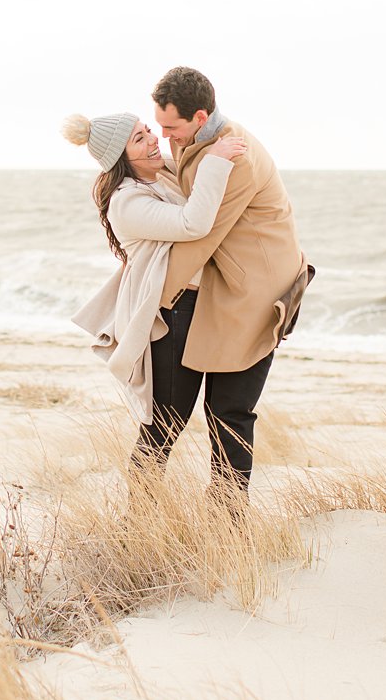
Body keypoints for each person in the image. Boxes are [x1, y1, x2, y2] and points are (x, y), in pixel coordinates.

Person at [148, 66, 309, 498]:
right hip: (225, 288)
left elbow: (202, 235)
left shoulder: (233, 156)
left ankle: (228, 526)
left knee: (229, 414)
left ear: (200, 117)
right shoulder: (196, 142)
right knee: (177, 413)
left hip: (258, 292)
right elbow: (180, 175)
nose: (166, 137)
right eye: (159, 127)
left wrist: (149, 298)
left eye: (171, 127)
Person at [62, 111, 248, 474]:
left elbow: (187, 163)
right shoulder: (127, 202)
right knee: (165, 425)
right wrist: (214, 161)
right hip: (171, 314)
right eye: (139, 139)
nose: (152, 139)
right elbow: (192, 223)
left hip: (202, 305)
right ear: (121, 159)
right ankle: (139, 522)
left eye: (147, 130)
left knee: (212, 415)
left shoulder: (160, 175)